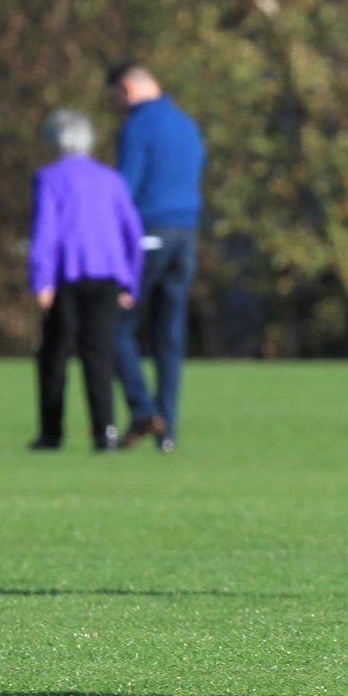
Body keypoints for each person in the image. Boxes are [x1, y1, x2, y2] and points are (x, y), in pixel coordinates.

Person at [28, 109, 144, 452]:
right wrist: (131, 282)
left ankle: (51, 433)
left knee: (55, 354)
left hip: (66, 275)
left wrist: (40, 280)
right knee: (99, 354)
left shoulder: (49, 178)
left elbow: (44, 233)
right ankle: (104, 432)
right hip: (108, 276)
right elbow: (132, 232)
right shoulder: (111, 179)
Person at [106, 62, 206, 453]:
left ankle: (144, 409)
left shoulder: (138, 125)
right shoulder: (185, 122)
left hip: (149, 233)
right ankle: (168, 430)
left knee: (115, 325)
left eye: (114, 97)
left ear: (127, 88)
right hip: (186, 234)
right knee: (169, 333)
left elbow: (123, 191)